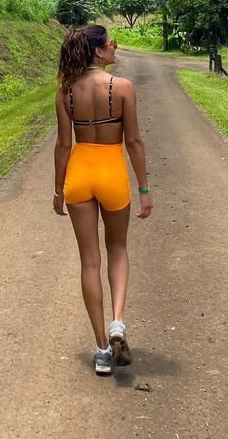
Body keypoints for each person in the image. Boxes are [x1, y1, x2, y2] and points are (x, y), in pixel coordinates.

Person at [53, 24, 152, 376]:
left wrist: (57, 189)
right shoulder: (122, 88)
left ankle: (100, 351)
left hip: (79, 176)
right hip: (111, 174)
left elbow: (64, 145)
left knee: (88, 262)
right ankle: (118, 324)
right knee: (118, 249)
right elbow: (134, 142)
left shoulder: (65, 92)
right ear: (98, 51)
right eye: (111, 42)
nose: (115, 45)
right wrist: (143, 188)